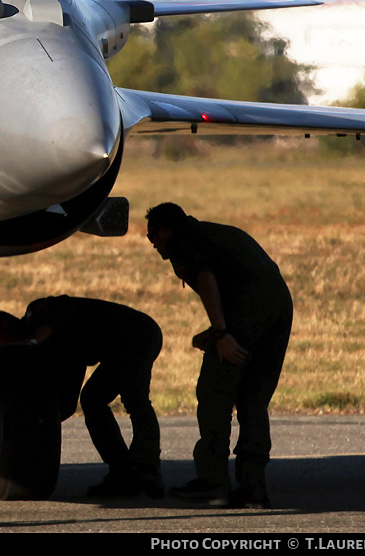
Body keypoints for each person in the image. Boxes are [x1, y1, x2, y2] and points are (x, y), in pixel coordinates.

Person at [145, 203, 294, 508]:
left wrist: (222, 334)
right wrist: (216, 332)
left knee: (215, 391)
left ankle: (213, 482)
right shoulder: (214, 233)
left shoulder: (183, 241)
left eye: (152, 238)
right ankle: (253, 486)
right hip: (279, 306)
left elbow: (207, 278)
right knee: (253, 399)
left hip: (249, 309)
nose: (154, 245)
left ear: (162, 230)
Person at [0, 295, 164, 498]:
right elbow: (65, 404)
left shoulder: (37, 312)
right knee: (92, 400)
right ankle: (122, 472)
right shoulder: (51, 349)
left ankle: (148, 469)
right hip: (118, 349)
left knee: (135, 399)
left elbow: (62, 309)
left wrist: (33, 343)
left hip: (137, 334)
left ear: (6, 325)